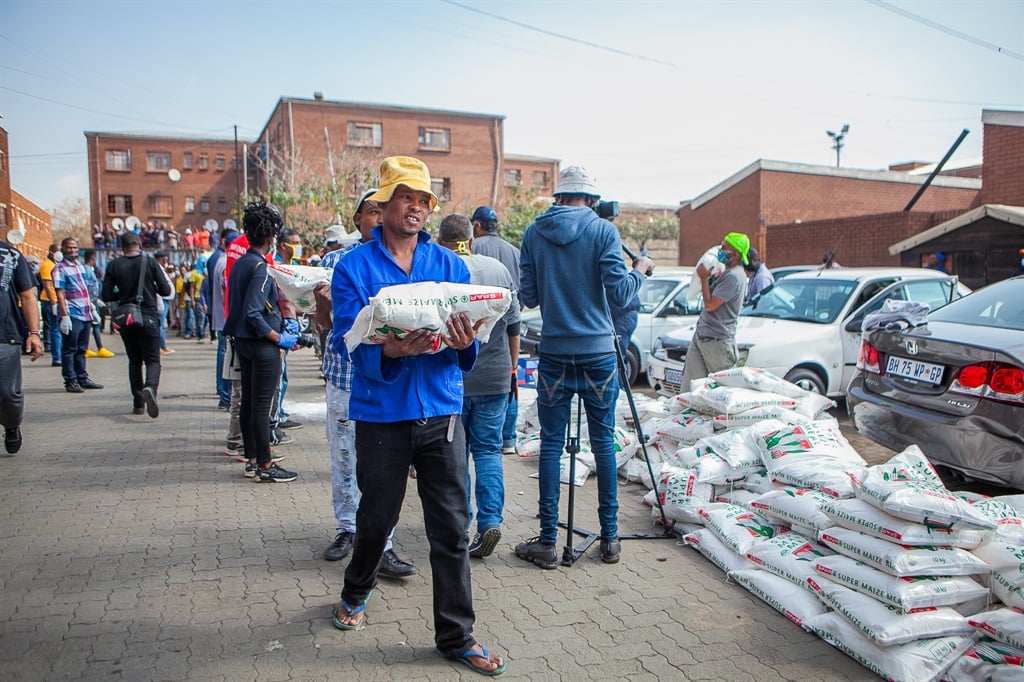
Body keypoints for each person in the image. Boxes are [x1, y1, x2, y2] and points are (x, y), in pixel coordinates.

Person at [330, 156, 504, 676]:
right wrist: (392, 352)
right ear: (383, 205)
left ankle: (457, 636)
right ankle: (355, 592)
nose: (417, 208)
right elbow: (348, 341)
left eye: (425, 200)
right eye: (407, 197)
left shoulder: (451, 267)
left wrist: (466, 341)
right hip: (383, 416)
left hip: (442, 413)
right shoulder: (353, 268)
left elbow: (465, 343)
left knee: (451, 528)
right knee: (376, 518)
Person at [516, 165, 653, 570]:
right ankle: (609, 540)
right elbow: (623, 294)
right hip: (597, 354)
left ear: (558, 197)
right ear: (591, 200)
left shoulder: (533, 232)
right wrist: (640, 270)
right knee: (603, 444)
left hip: (556, 350)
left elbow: (528, 296)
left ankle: (546, 542)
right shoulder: (603, 231)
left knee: (551, 445)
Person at [316, 189, 416, 578]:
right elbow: (323, 325)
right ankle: (346, 529)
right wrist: (322, 310)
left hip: (387, 383)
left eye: (381, 211)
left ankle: (383, 545)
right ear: (357, 219)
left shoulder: (401, 260)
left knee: (381, 471)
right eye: (371, 212)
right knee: (343, 458)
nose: (377, 218)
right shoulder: (335, 262)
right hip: (345, 377)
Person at [438, 213, 520, 559]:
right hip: (496, 376)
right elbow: (515, 324)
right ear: (471, 240)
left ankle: (462, 525)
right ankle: (491, 521)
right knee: (488, 451)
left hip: (453, 379)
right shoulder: (498, 270)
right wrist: (513, 369)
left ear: (441, 242)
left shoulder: (439, 270)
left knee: (458, 456)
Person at [222, 200, 299, 483]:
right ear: (271, 236)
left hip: (243, 342)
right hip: (262, 345)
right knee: (261, 407)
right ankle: (265, 464)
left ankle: (253, 460)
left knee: (249, 404)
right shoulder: (262, 267)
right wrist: (280, 338)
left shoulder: (241, 263)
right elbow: (254, 312)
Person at [101, 232, 173, 417]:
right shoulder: (149, 262)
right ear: (139, 245)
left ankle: (138, 402)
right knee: (152, 360)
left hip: (127, 318)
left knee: (134, 361)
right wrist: (150, 289)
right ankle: (150, 387)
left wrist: (124, 295)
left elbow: (106, 295)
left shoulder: (113, 265)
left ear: (121, 247)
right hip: (148, 315)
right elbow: (165, 290)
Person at [470, 205, 522, 457]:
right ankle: (509, 438)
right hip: (502, 340)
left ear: (476, 227)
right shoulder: (513, 252)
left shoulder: (471, 250)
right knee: (509, 384)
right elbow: (519, 304)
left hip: (470, 344)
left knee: (464, 449)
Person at [679, 232, 750, 393]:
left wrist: (704, 279)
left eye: (725, 248)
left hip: (718, 341)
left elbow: (710, 305)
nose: (721, 250)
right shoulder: (725, 272)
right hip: (704, 334)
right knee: (691, 386)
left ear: (736, 254)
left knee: (721, 391)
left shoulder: (734, 277)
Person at [1, 238, 45, 454]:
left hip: (5, 334)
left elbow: (28, 295)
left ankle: (11, 425)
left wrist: (34, 333)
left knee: (9, 394)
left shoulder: (12, 255)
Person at [53, 238, 104, 393]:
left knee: (82, 348)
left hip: (85, 312)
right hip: (72, 312)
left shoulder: (80, 266)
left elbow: (84, 290)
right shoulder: (59, 269)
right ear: (63, 249)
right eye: (69, 247)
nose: (72, 250)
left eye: (75, 247)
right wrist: (64, 314)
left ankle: (82, 377)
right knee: (70, 348)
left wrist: (92, 308)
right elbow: (60, 293)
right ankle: (70, 380)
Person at [81, 249, 115, 358]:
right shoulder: (86, 270)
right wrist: (90, 302)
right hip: (90, 301)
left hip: (94, 300)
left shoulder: (90, 269)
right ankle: (93, 347)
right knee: (95, 324)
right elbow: (85, 287)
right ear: (92, 258)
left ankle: (95, 347)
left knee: (95, 324)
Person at [39, 243, 62, 367]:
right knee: (55, 329)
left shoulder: (55, 265)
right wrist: (53, 302)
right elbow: (47, 286)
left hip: (58, 300)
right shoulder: (47, 265)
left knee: (59, 329)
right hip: (50, 300)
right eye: (58, 251)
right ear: (52, 252)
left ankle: (60, 355)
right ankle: (57, 357)